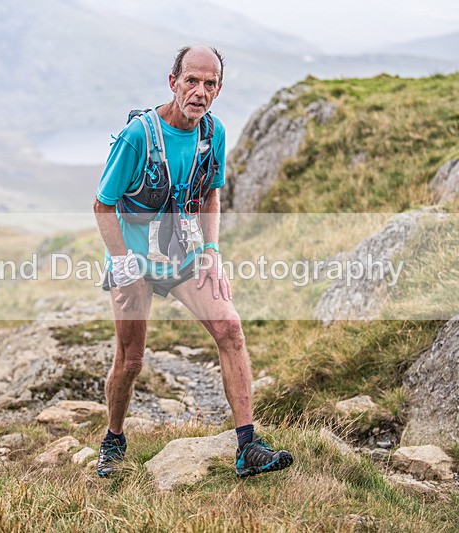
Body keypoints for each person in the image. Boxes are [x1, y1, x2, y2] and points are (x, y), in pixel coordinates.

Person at [92, 46, 293, 479]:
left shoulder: (213, 133)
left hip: (183, 255)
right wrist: (122, 263)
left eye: (210, 83)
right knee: (130, 360)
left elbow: (211, 192)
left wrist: (211, 250)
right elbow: (103, 204)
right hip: (135, 260)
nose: (199, 92)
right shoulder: (137, 137)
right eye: (191, 81)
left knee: (230, 328)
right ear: (173, 82)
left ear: (218, 89)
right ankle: (113, 439)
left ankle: (247, 446)